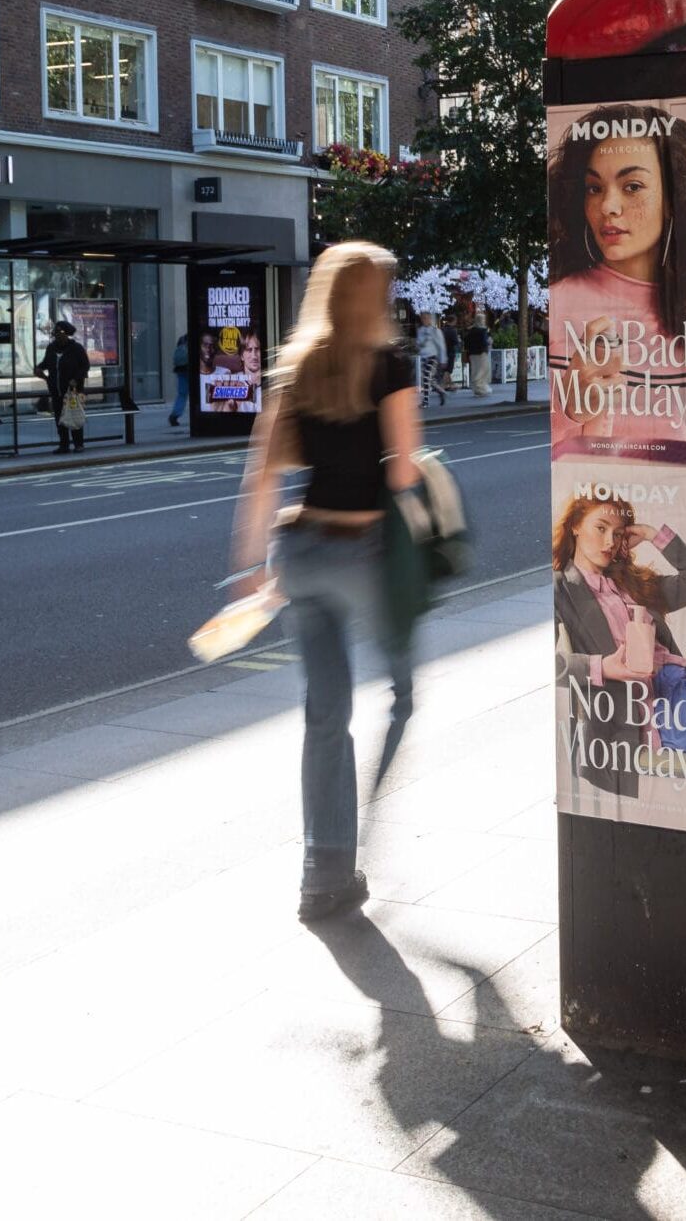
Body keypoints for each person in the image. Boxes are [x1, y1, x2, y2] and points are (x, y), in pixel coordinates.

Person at [231, 241, 423, 924]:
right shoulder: (390, 364)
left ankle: (323, 871)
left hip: (303, 551)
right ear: (376, 296)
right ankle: (402, 684)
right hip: (363, 547)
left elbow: (262, 476)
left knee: (324, 712)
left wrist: (252, 566)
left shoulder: (296, 367)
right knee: (399, 664)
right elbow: (402, 472)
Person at [546, 102, 686, 464]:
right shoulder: (561, 302)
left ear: (673, 199)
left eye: (632, 186)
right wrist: (567, 411)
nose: (608, 207)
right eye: (593, 188)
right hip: (596, 510)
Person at [552, 494, 686, 805]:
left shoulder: (629, 582)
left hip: (683, 678)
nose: (609, 541)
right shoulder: (560, 588)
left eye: (617, 533)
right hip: (655, 707)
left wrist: (654, 535)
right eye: (600, 528)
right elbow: (549, 666)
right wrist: (602, 667)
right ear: (574, 526)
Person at [38, 320, 91, 454]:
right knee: (60, 418)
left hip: (73, 391)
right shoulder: (51, 348)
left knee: (74, 415)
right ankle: (64, 444)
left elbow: (85, 366)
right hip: (56, 390)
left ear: (67, 333)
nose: (57, 335)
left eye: (60, 332)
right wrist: (39, 369)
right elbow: (45, 363)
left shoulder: (76, 348)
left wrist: (76, 379)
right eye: (55, 332)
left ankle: (79, 444)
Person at [414, 311, 446, 407]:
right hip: (424, 357)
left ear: (430, 319)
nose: (424, 320)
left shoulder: (435, 331)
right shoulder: (420, 330)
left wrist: (443, 359)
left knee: (426, 377)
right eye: (423, 318)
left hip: (433, 357)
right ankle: (441, 392)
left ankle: (425, 402)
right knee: (429, 380)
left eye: (426, 318)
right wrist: (422, 341)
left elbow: (441, 346)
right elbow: (418, 344)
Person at [463, 305, 492, 397]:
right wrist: (488, 343)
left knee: (475, 370)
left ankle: (476, 388)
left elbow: (466, 342)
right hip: (481, 353)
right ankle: (481, 387)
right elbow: (484, 342)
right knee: (483, 370)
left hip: (472, 353)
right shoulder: (483, 330)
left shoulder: (471, 331)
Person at [169, 332, 189, 427]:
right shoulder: (197, 338)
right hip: (190, 370)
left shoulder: (182, 339)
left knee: (182, 394)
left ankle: (175, 414)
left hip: (180, 370)